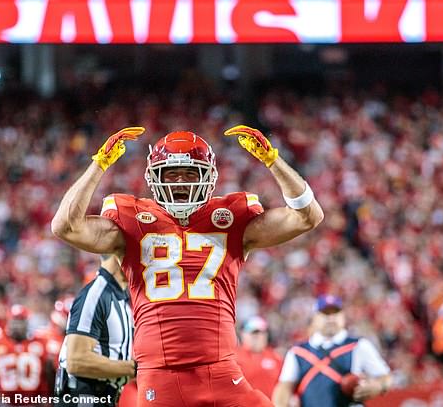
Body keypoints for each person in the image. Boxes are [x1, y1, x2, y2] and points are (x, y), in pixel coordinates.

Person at [52, 126, 324, 406]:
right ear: (154, 176)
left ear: (208, 176)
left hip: (221, 370)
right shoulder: (131, 219)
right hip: (161, 376)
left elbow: (308, 217)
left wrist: (272, 160)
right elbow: (65, 227)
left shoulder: (231, 218)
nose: (180, 181)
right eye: (171, 173)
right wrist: (99, 165)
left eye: (190, 173)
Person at [272, 295, 392, 407]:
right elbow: (284, 387)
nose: (331, 318)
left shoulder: (358, 345)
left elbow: (385, 377)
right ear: (315, 317)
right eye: (325, 313)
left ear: (343, 316)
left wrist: (377, 386)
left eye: (335, 313)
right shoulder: (297, 352)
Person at [56, 255, 134, 406]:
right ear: (118, 254)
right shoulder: (97, 293)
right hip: (84, 396)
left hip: (104, 396)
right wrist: (134, 367)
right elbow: (77, 361)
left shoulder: (121, 298)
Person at [0, 304, 54, 404]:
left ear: (27, 322)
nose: (17, 325)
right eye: (14, 320)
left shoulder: (41, 343)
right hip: (6, 402)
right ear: (8, 321)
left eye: (21, 320)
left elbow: (49, 376)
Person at [235, 316, 284, 399]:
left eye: (261, 333)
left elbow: (283, 385)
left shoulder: (275, 357)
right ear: (243, 334)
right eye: (254, 333)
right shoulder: (234, 357)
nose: (258, 336)